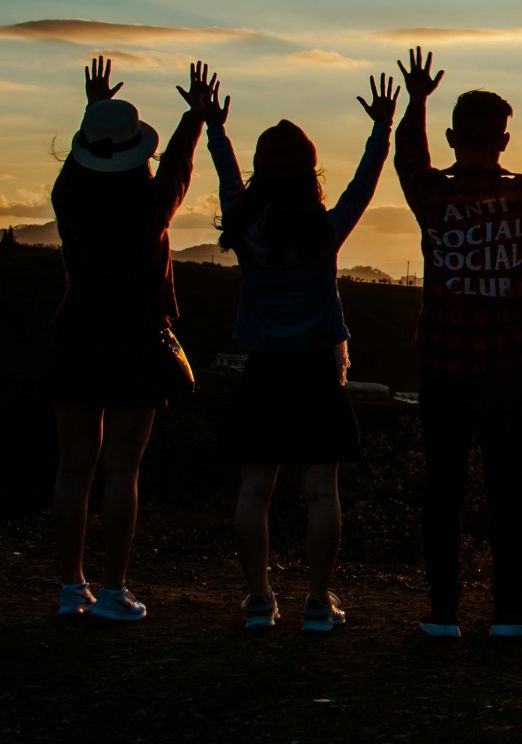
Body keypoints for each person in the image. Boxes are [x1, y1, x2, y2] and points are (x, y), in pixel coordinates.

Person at [393, 47, 522, 638]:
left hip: (442, 367)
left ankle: (443, 611)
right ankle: (508, 609)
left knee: (442, 488)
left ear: (453, 136)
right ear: (504, 140)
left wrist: (416, 100)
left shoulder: (431, 196)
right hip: (505, 367)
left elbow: (407, 157)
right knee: (509, 489)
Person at [209, 73, 399, 632]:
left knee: (254, 488)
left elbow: (225, 176)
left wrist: (215, 128)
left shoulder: (245, 227)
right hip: (319, 368)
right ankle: (318, 601)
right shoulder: (324, 229)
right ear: (309, 170)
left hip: (263, 368)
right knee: (321, 491)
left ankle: (259, 600)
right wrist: (381, 130)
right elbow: (363, 185)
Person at [46, 57, 216, 621]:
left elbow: (86, 161)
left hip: (77, 333)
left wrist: (94, 109)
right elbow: (180, 170)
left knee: (74, 467)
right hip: (137, 339)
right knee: (122, 469)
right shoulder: (150, 207)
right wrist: (195, 115)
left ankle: (71, 587)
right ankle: (115, 589)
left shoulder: (68, 196)